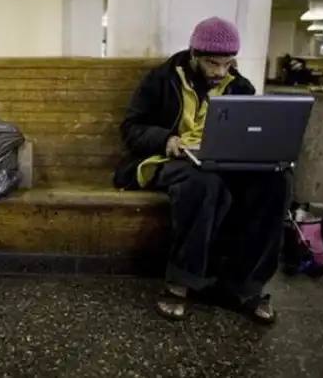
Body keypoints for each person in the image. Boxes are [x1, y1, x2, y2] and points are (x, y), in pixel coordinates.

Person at [114, 17, 292, 324]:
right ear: (194, 53)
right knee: (204, 183)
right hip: (165, 160)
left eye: (227, 63)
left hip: (222, 162)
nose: (220, 71)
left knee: (276, 182)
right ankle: (180, 282)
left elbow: (249, 133)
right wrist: (167, 141)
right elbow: (131, 128)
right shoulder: (162, 79)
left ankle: (246, 285)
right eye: (212, 63)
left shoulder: (240, 87)